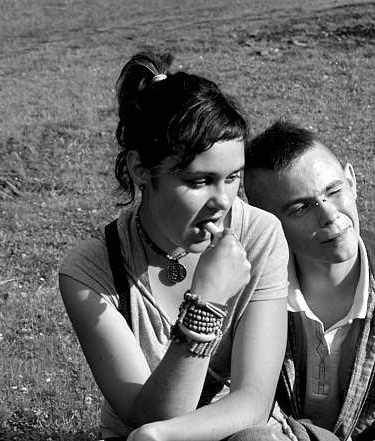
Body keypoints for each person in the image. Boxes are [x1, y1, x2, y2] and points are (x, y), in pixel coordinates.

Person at [58, 50, 290, 441]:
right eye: (200, 181)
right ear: (140, 170)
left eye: (233, 177)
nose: (224, 201)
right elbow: (152, 418)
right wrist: (207, 303)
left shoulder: (259, 235)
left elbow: (253, 400)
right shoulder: (90, 272)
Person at [243, 119, 375, 441]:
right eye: (300, 208)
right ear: (265, 219)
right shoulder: (246, 286)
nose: (329, 215)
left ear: (351, 180)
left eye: (334, 191)